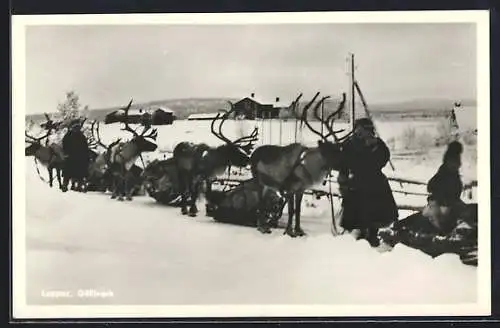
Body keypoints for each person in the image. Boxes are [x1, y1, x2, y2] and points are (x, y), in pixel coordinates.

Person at [377, 141, 478, 266]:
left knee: (422, 222)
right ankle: (395, 230)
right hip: (441, 205)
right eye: (454, 162)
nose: (456, 164)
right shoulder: (445, 175)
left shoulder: (451, 177)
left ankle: (395, 231)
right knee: (417, 222)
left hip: (446, 207)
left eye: (456, 162)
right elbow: (433, 186)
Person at [337, 118, 399, 247]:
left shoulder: (377, 144)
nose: (359, 131)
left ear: (368, 130)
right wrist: (343, 181)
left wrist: (375, 147)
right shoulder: (349, 143)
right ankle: (358, 236)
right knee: (356, 213)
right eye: (357, 129)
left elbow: (384, 157)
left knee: (375, 213)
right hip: (356, 183)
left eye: (362, 129)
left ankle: (372, 234)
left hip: (375, 182)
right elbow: (343, 163)